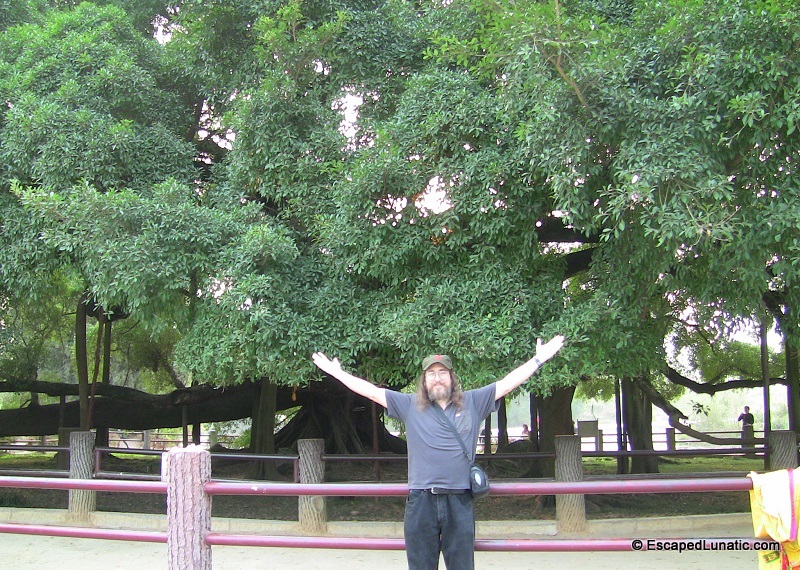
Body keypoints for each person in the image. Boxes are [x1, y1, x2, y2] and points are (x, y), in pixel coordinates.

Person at [312, 335, 565, 570]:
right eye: (431, 373)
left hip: (459, 500)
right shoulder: (409, 405)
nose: (437, 377)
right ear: (423, 381)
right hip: (421, 501)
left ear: (452, 378)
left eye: (442, 372)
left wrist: (539, 358)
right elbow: (370, 391)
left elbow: (508, 383)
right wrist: (337, 373)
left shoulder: (473, 402)